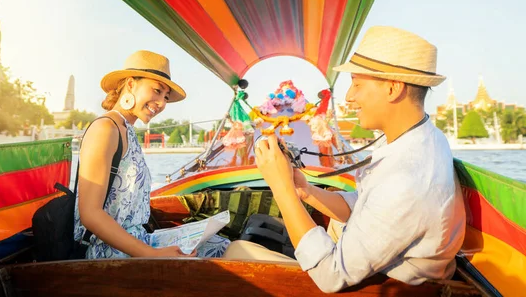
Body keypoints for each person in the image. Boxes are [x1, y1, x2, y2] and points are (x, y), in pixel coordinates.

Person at [223, 26, 466, 292]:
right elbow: (363, 205)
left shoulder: (407, 178)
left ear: (394, 88)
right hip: (365, 265)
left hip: (372, 286)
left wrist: (280, 188)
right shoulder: (421, 139)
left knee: (236, 250)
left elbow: (331, 276)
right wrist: (304, 191)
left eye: (357, 84)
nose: (349, 96)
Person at [74, 50, 230, 259]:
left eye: (165, 97)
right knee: (230, 253)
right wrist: (151, 254)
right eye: (157, 91)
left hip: (139, 242)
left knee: (225, 245)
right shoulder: (105, 129)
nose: (162, 103)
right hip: (110, 254)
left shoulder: (126, 129)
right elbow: (90, 214)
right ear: (130, 84)